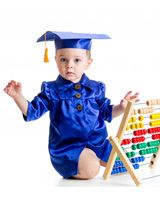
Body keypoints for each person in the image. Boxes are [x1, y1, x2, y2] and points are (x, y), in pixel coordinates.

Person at [4, 31, 139, 180]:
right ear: (56, 60)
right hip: (68, 149)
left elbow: (107, 112)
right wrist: (17, 96)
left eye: (77, 60)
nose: (69, 66)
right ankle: (85, 163)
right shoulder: (52, 90)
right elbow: (32, 112)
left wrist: (122, 107)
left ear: (88, 63)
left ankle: (97, 157)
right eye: (63, 59)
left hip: (98, 143)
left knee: (128, 164)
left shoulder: (95, 88)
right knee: (91, 169)